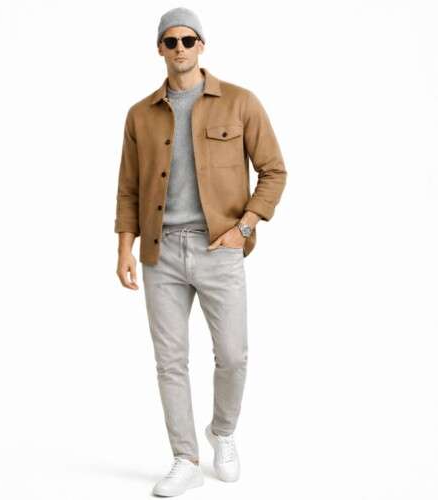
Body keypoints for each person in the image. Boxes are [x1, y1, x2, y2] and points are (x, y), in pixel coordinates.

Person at [114, 6, 287, 496]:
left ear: (201, 45)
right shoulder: (140, 115)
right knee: (170, 361)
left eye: (187, 40)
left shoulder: (240, 102)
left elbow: (274, 171)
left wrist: (244, 228)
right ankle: (184, 458)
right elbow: (128, 188)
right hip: (160, 252)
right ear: (159, 49)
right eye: (170, 41)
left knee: (232, 355)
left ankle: (223, 432)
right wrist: (125, 248)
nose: (180, 48)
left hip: (219, 248)